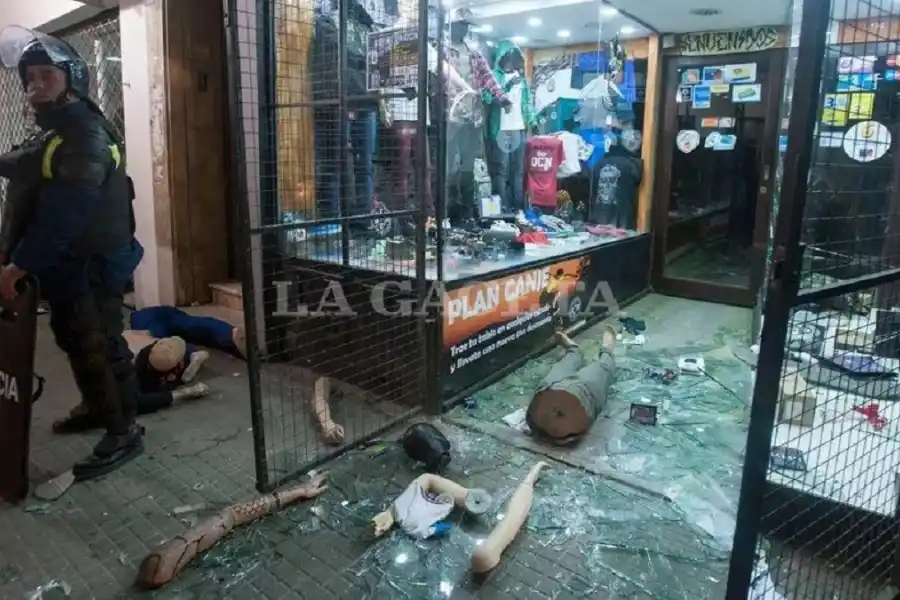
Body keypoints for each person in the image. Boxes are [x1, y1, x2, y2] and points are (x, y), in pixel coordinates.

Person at [0, 28, 144, 480]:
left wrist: (19, 264)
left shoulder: (83, 133)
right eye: (31, 77)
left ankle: (123, 432)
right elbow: (24, 162)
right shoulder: (58, 130)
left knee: (97, 343)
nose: (36, 85)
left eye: (47, 75)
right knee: (77, 338)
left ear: (72, 79)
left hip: (93, 260)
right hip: (72, 262)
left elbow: (66, 213)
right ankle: (99, 407)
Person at [526, 326, 617, 445]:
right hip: (583, 392)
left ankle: (574, 350)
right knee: (602, 368)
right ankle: (606, 351)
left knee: (565, 365)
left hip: (550, 387)